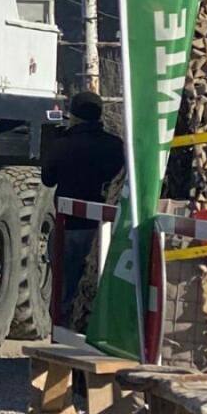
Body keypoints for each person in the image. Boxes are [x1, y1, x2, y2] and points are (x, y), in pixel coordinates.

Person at [41, 90, 126, 321]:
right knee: (97, 289)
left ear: (73, 116)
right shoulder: (115, 146)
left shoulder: (63, 145)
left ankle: (62, 329)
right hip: (104, 230)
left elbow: (48, 179)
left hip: (68, 228)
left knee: (64, 288)